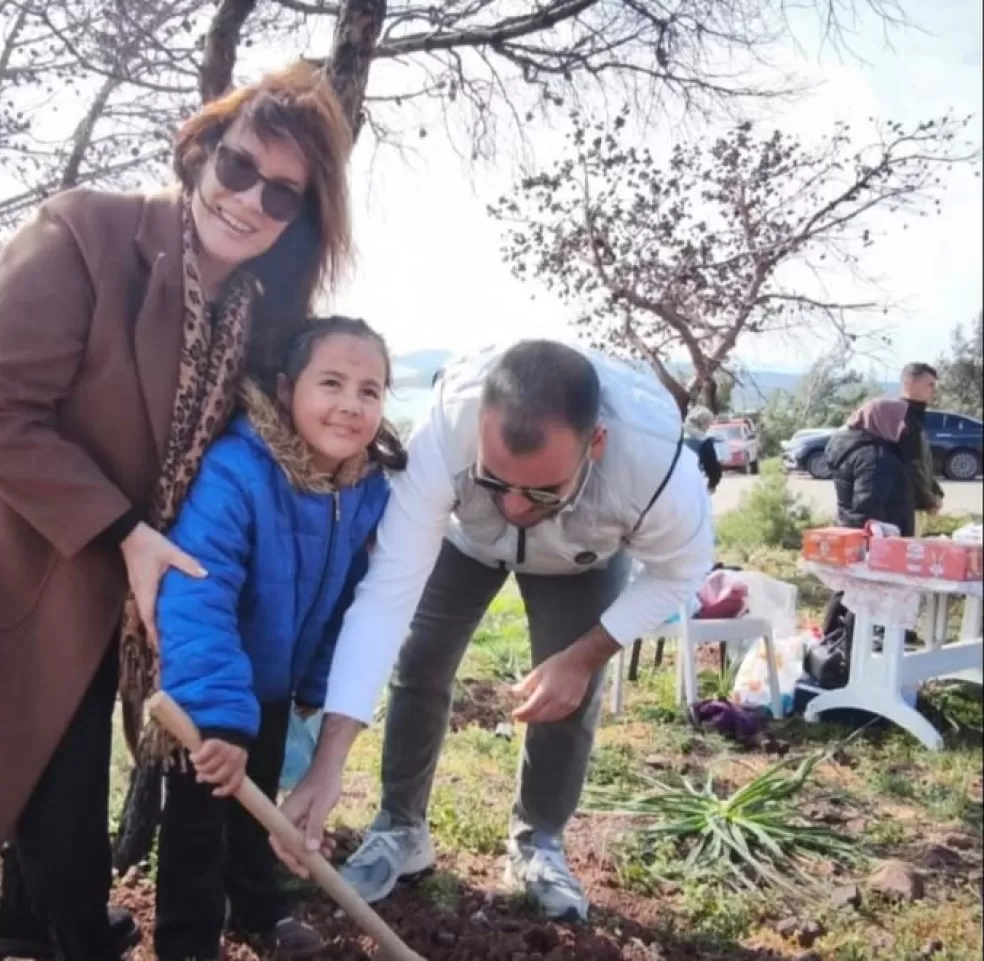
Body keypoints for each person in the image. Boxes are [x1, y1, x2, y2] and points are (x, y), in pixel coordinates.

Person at [0, 62, 355, 961]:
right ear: (200, 152)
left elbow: (274, 426)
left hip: (110, 548)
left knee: (43, 748)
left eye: (281, 192)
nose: (250, 201)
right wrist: (126, 534)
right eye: (237, 167)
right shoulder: (84, 229)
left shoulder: (255, 308)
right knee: (53, 760)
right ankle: (75, 934)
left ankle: (20, 927)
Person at [272, 340, 713, 922]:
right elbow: (385, 599)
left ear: (596, 445)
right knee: (421, 659)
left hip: (582, 557)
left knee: (564, 695)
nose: (513, 507)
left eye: (539, 491)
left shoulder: (655, 467)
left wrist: (581, 657)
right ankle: (401, 828)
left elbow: (681, 572)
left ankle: (537, 844)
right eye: (496, 480)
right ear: (479, 426)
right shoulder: (444, 433)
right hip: (465, 541)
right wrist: (329, 762)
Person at [152, 317, 402, 961]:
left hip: (273, 685)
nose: (350, 404)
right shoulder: (240, 469)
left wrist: (318, 684)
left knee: (255, 809)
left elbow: (350, 598)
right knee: (197, 821)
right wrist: (215, 716)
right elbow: (197, 592)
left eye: (370, 390)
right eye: (332, 383)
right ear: (288, 388)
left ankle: (258, 913)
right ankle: (187, 942)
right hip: (207, 690)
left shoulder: (365, 491)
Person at [819, 398, 916, 639]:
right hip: (874, 538)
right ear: (882, 421)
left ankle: (832, 641)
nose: (903, 427)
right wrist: (880, 542)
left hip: (854, 532)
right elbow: (868, 504)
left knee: (848, 591)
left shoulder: (853, 446)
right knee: (862, 597)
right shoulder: (875, 457)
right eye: (899, 421)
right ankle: (846, 650)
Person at [899, 362, 944, 533]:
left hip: (918, 504)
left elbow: (923, 463)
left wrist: (936, 493)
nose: (933, 390)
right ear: (909, 382)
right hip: (906, 506)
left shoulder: (917, 418)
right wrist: (929, 501)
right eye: (930, 384)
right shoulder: (902, 419)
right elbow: (911, 465)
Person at [684, 405, 723, 493]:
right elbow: (713, 468)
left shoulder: (676, 435)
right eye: (708, 423)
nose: (708, 427)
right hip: (693, 485)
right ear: (701, 422)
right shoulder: (704, 441)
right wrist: (712, 484)